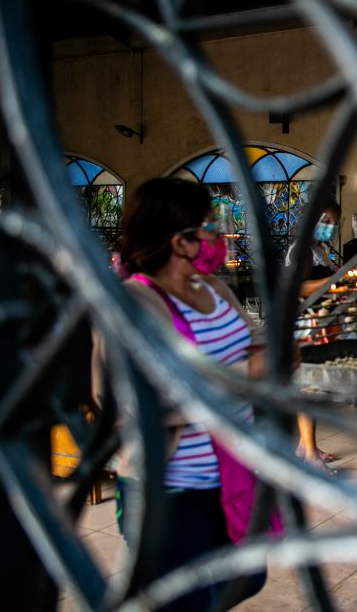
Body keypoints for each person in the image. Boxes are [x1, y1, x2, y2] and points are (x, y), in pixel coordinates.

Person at [95, 177, 268, 610]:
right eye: (208, 224)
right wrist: (242, 375)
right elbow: (125, 398)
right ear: (178, 239)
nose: (218, 234)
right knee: (179, 599)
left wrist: (283, 347)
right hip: (172, 486)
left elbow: (255, 338)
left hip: (231, 474)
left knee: (246, 577)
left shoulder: (212, 287)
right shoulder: (131, 303)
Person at [285, 201, 342, 467]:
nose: (330, 227)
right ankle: (309, 456)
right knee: (308, 388)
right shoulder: (301, 251)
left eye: (334, 222)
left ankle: (305, 446)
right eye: (326, 220)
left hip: (320, 324)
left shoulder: (319, 250)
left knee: (315, 388)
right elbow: (299, 287)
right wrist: (334, 280)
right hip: (305, 326)